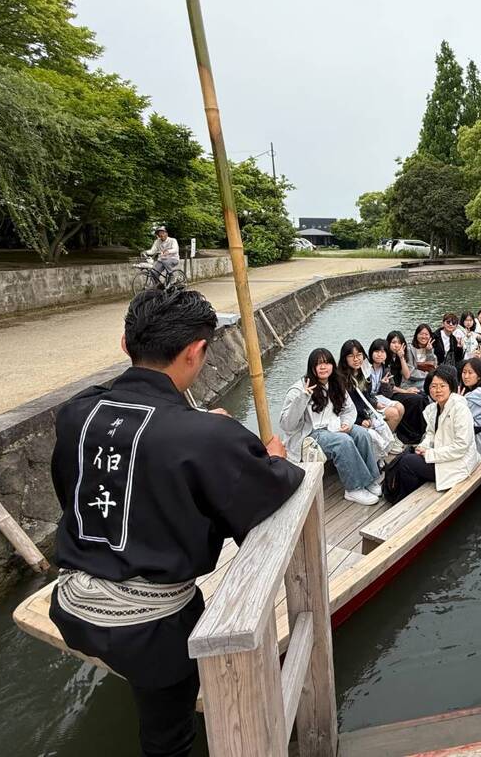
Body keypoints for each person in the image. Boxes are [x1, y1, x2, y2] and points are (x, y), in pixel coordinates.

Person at [48, 287, 303, 757]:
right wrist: (273, 457)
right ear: (196, 350)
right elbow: (267, 486)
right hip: (152, 628)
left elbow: (78, 487)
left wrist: (201, 425)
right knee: (168, 740)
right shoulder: (206, 436)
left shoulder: (77, 412)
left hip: (71, 604)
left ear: (126, 345)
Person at [280, 348, 381, 505]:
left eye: (326, 363)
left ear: (333, 365)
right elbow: (287, 425)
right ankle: (353, 489)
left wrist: (347, 423)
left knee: (362, 434)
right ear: (311, 367)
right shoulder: (299, 389)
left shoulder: (336, 383)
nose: (323, 367)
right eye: (318, 364)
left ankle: (370, 480)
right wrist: (303, 398)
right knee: (343, 442)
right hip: (309, 434)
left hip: (334, 426)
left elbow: (348, 409)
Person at [384, 366, 480, 502]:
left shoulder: (460, 410)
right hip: (443, 455)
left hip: (458, 462)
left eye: (442, 386)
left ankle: (405, 500)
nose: (438, 390)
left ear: (451, 387)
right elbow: (430, 434)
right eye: (434, 386)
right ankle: (409, 493)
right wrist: (423, 447)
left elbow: (461, 447)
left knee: (407, 462)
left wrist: (430, 454)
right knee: (409, 454)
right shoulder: (434, 408)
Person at [338, 339, 403, 436]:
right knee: (393, 414)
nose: (356, 359)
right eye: (351, 356)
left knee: (400, 408)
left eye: (359, 355)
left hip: (366, 408)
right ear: (345, 358)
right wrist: (360, 420)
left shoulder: (364, 372)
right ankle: (385, 440)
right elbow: (347, 406)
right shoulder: (342, 378)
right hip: (354, 415)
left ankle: (387, 439)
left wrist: (375, 403)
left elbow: (367, 395)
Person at [409, 323, 438, 388]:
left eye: (426, 334)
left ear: (430, 336)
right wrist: (427, 375)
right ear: (416, 335)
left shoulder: (431, 350)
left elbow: (432, 367)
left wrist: (429, 352)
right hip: (412, 382)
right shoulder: (410, 349)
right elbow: (411, 372)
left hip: (427, 380)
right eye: (421, 334)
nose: (424, 337)